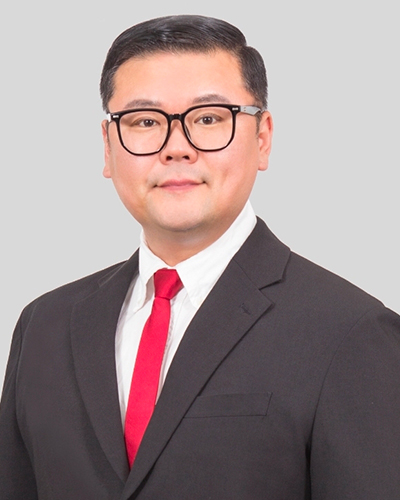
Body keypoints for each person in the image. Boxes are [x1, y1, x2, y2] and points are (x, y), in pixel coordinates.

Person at [0, 14, 399, 500]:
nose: (176, 148)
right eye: (145, 122)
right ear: (107, 146)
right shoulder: (44, 326)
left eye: (209, 119)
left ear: (263, 138)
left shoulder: (351, 333)